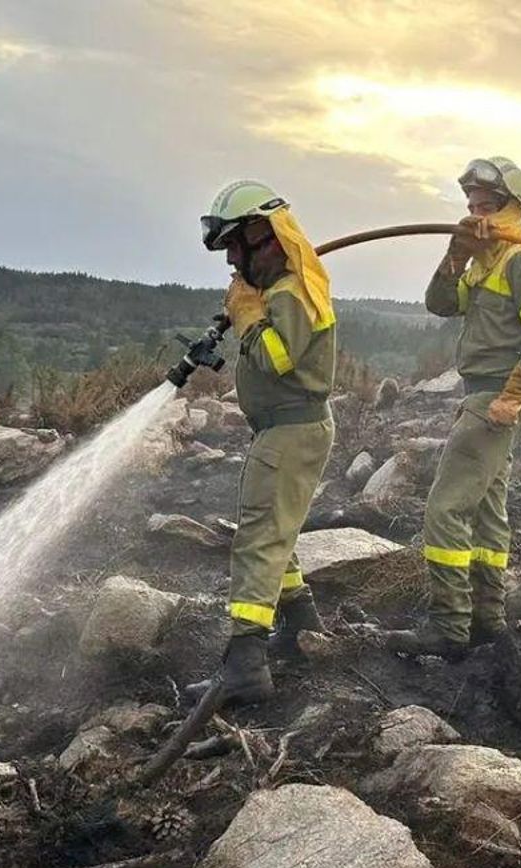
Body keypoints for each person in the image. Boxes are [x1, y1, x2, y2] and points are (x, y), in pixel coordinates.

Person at [388, 157, 521, 659]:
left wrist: (512, 397)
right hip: (485, 397)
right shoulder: (485, 262)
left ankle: (448, 627)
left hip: (494, 400)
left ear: (512, 206)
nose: (475, 212)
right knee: (489, 515)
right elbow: (441, 304)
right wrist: (454, 258)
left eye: (486, 204)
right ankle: (488, 619)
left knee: (445, 511)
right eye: (470, 205)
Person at [185, 179, 336, 704]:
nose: (229, 258)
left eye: (233, 244)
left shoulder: (294, 292)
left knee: (257, 541)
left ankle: (246, 664)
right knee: (278, 529)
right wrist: (249, 306)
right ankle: (302, 624)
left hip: (292, 429)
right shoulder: (279, 287)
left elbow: (278, 358)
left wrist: (248, 318)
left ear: (262, 235)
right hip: (283, 428)